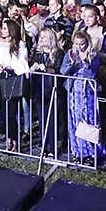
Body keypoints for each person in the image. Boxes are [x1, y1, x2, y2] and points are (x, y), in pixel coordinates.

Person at [0, 19, 30, 151]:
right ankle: (9, 139)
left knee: (12, 112)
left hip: (14, 79)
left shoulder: (20, 44)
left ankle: (15, 140)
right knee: (4, 112)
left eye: (4, 28)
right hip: (1, 79)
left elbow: (23, 62)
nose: (2, 30)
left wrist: (12, 67)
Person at [61, 30, 101, 167]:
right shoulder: (70, 54)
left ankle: (90, 153)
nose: (80, 47)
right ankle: (77, 151)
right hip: (73, 92)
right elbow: (62, 71)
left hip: (87, 92)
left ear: (87, 43)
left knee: (88, 120)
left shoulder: (94, 55)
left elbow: (92, 74)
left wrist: (84, 63)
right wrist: (72, 64)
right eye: (77, 44)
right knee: (74, 120)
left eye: (82, 44)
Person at [30, 28, 65, 158]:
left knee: (52, 120)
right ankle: (43, 145)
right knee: (42, 118)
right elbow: (32, 66)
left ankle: (53, 147)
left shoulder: (59, 53)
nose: (41, 39)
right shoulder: (37, 53)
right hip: (40, 89)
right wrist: (33, 68)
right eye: (40, 37)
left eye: (44, 37)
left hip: (54, 89)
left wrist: (48, 69)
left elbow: (59, 70)